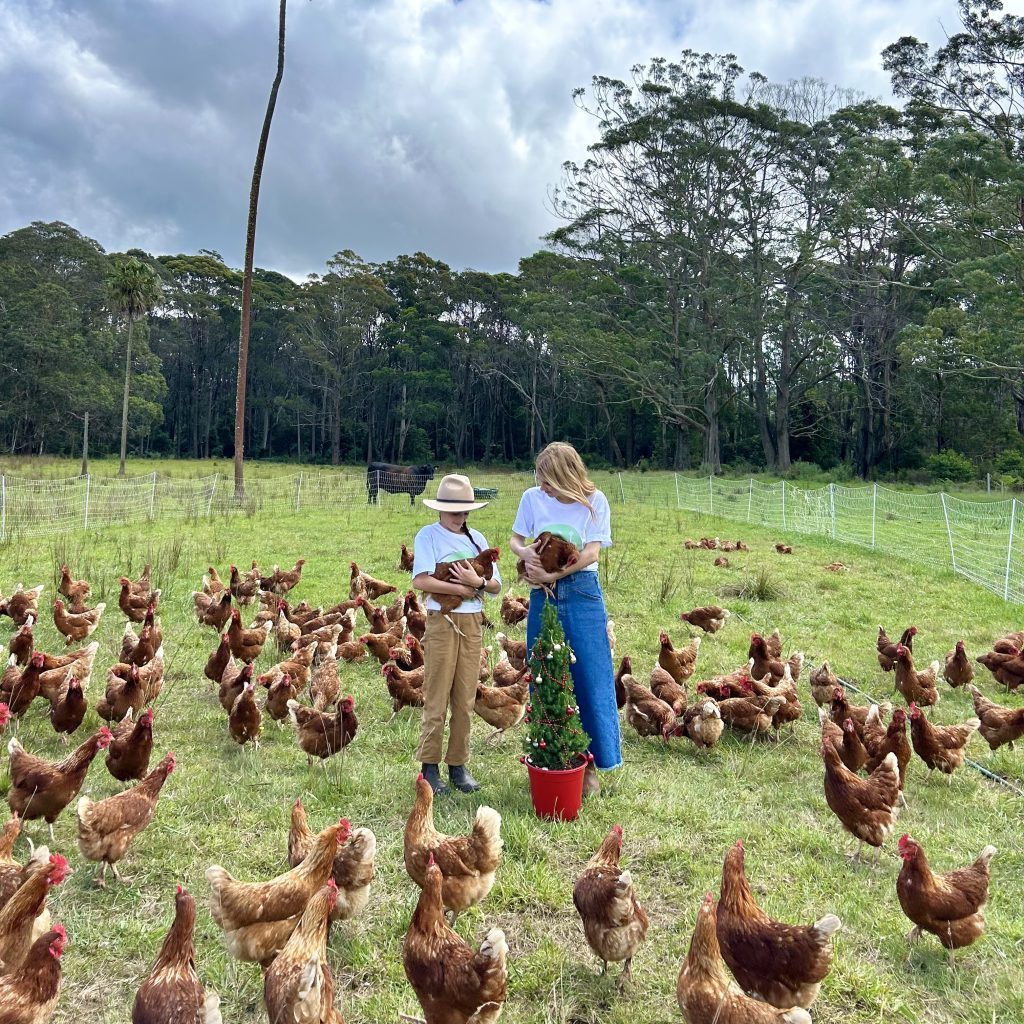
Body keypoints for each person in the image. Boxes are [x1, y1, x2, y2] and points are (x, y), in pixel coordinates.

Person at [510, 442, 621, 797]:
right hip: (543, 594)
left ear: (565, 475)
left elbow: (590, 552)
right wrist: (526, 553)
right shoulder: (531, 499)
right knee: (546, 675)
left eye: (548, 481)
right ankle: (553, 761)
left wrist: (551, 577)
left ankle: (590, 766)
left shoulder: (595, 501)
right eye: (540, 481)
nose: (542, 487)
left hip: (582, 591)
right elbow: (515, 540)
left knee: (590, 676)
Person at [412, 474, 501, 795]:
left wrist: (476, 584)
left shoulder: (477, 538)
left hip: (472, 623)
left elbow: (495, 586)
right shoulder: (428, 536)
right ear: (439, 509)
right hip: (442, 621)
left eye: (464, 511)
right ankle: (429, 767)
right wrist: (460, 587)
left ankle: (458, 766)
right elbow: (421, 581)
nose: (460, 517)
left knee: (465, 698)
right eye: (454, 511)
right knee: (436, 696)